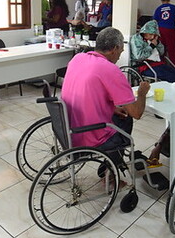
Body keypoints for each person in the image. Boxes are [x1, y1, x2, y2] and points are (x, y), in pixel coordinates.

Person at [61, 27, 151, 169]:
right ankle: (111, 169)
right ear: (114, 49)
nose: (119, 56)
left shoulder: (77, 58)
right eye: (121, 51)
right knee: (127, 118)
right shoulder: (110, 69)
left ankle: (113, 164)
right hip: (89, 138)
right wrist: (142, 93)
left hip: (68, 130)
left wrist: (113, 108)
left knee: (119, 114)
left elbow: (86, 95)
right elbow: (137, 113)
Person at [153, 0, 175, 68]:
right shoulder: (173, 7)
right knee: (172, 48)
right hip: (170, 30)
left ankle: (162, 64)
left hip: (161, 30)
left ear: (161, 1)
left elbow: (155, 21)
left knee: (161, 48)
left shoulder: (158, 9)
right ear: (169, 0)